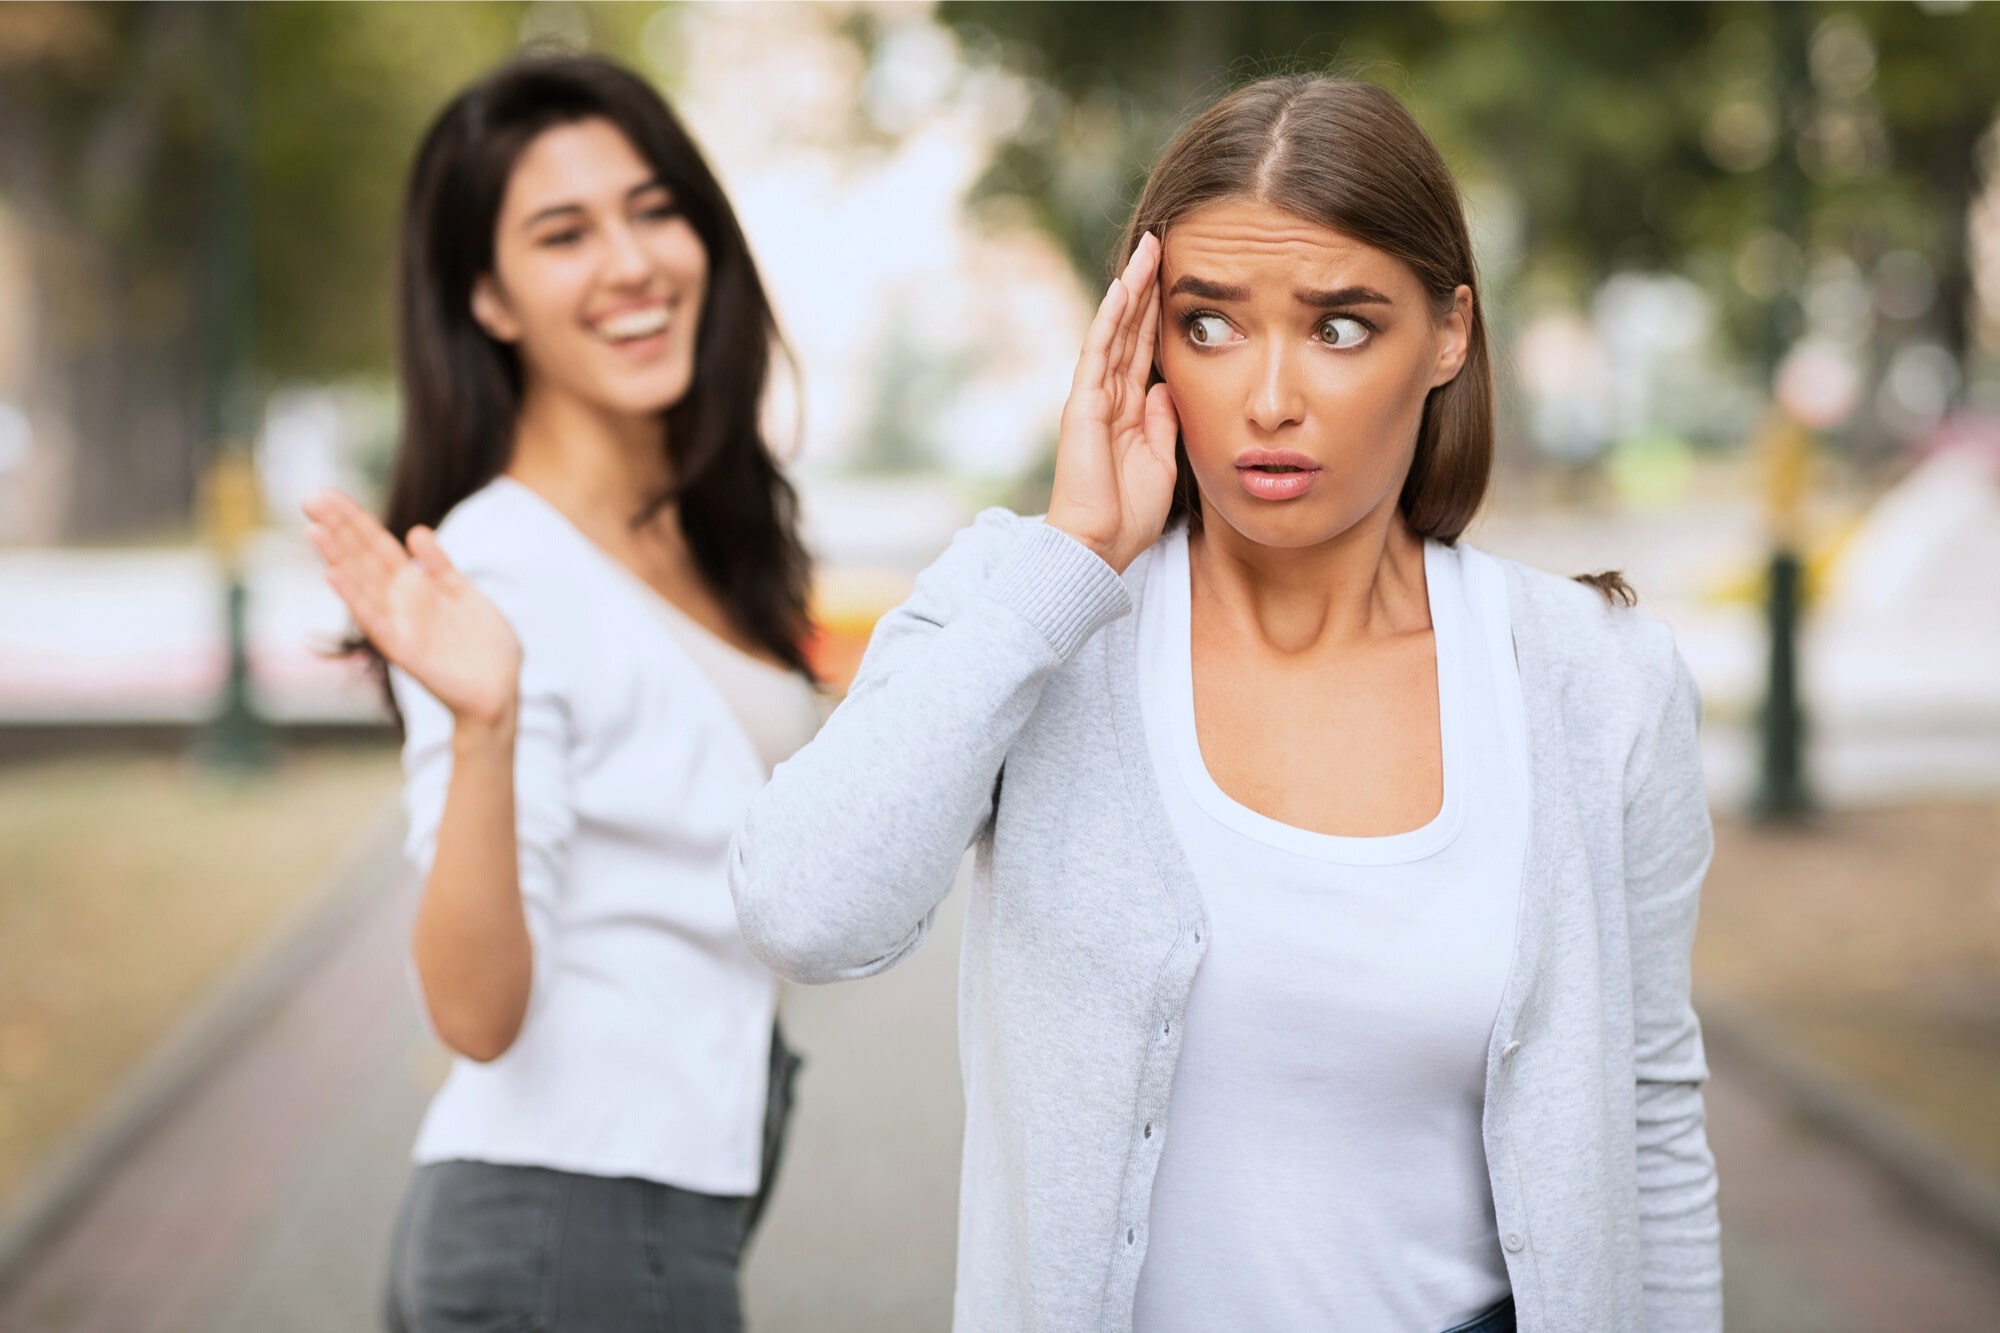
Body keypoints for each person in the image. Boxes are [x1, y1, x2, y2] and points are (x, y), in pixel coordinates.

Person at [729, 74, 1720, 1333]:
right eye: (1207, 325)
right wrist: (1074, 561)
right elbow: (803, 910)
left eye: (1340, 326)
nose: (1267, 397)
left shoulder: (1597, 678)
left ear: (1449, 335)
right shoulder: (1027, 603)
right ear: (1140, 339)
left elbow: (1649, 1121)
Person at [304, 54, 821, 1333]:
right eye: (562, 232)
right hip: (566, 1231)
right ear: (487, 296)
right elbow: (475, 1012)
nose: (631, 262)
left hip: (645, 1217)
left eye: (653, 210)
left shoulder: (696, 535)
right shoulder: (498, 565)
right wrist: (484, 727)